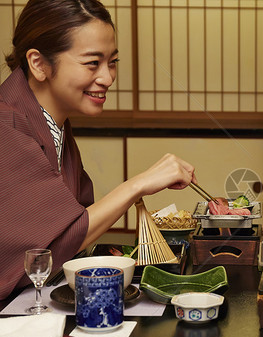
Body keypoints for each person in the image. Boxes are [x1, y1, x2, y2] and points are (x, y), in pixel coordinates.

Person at [0, 0, 196, 300]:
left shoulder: (51, 120)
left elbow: (69, 226)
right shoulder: (7, 125)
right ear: (39, 64)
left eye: (112, 61)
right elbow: (47, 247)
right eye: (93, 63)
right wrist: (138, 185)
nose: (107, 77)